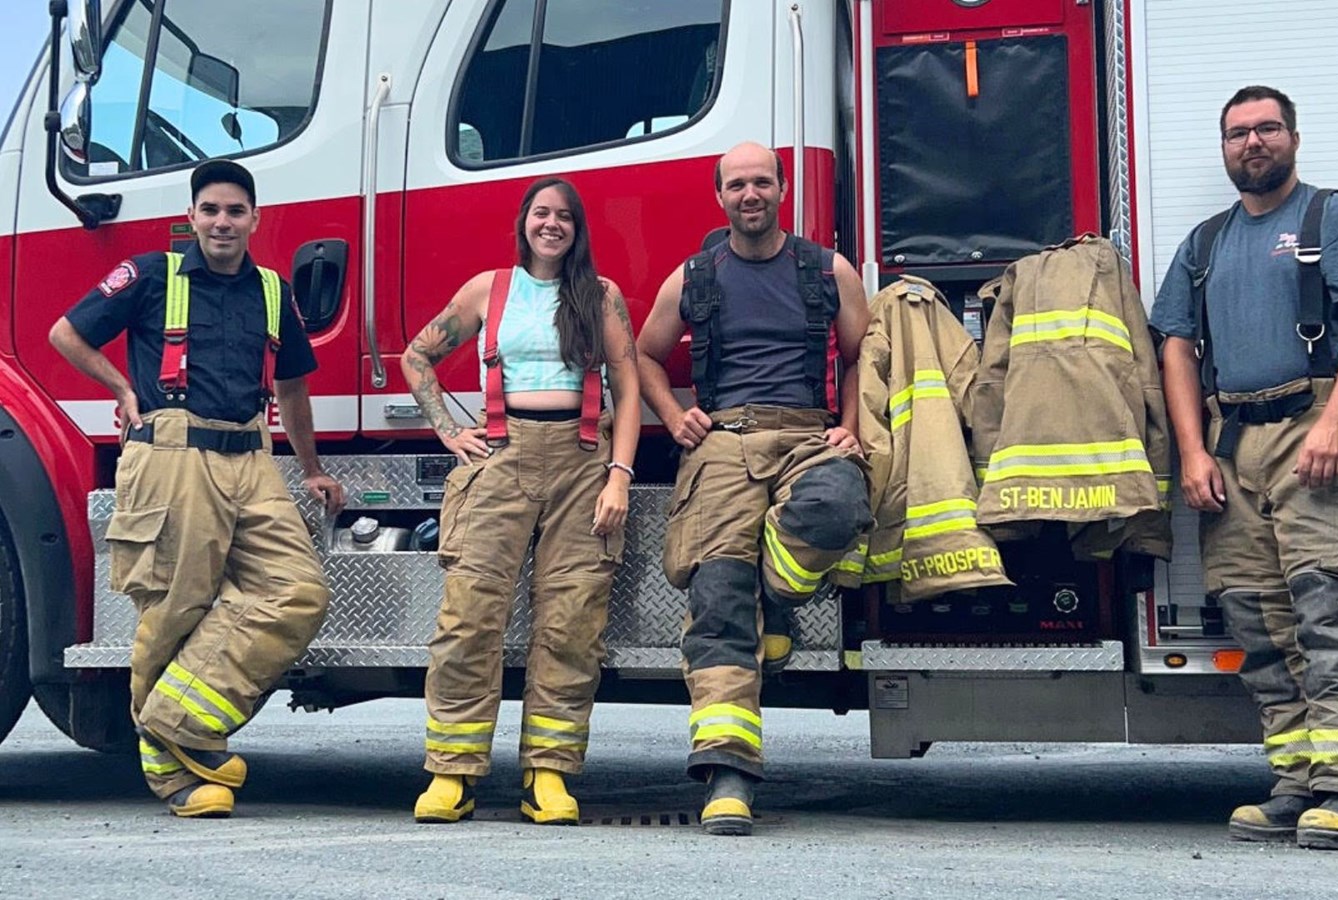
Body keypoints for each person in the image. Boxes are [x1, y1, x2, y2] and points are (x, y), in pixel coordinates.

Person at [1151, 87, 1338, 850]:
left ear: (1293, 138)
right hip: (1236, 444)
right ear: (1223, 147)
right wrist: (1193, 451)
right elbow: (1175, 347)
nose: (1252, 143)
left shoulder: (1337, 219)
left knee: (1335, 609)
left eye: (1266, 129)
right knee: (1257, 619)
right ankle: (1299, 783)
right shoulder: (1203, 244)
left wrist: (1334, 423)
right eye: (1237, 133)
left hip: (1322, 427)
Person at [48, 159, 344, 818]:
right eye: (209, 209)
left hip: (253, 459)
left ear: (254, 220)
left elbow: (293, 388)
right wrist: (123, 390)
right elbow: (66, 333)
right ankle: (171, 775)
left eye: (235, 211)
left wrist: (313, 468)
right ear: (191, 216)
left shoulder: (272, 290)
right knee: (175, 608)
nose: (221, 222)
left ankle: (173, 722)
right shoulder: (153, 275)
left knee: (297, 592)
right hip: (174, 458)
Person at [635, 142, 873, 835]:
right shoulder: (694, 277)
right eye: (736, 184)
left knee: (837, 507)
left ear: (782, 189)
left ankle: (775, 601)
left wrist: (851, 427)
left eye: (761, 182)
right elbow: (645, 355)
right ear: (720, 196)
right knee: (717, 596)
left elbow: (859, 357)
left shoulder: (829, 271)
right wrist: (675, 415)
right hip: (723, 445)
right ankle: (727, 774)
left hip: (809, 434)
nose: (750, 194)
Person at [403, 176, 640, 825]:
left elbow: (628, 384)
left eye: (564, 216)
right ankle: (451, 773)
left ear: (577, 228)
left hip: (582, 458)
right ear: (525, 222)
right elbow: (418, 356)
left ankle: (549, 775)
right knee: (468, 618)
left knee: (571, 623)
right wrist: (449, 430)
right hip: (500, 460)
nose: (552, 225)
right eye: (542, 213)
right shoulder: (489, 290)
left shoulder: (600, 296)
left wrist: (619, 474)